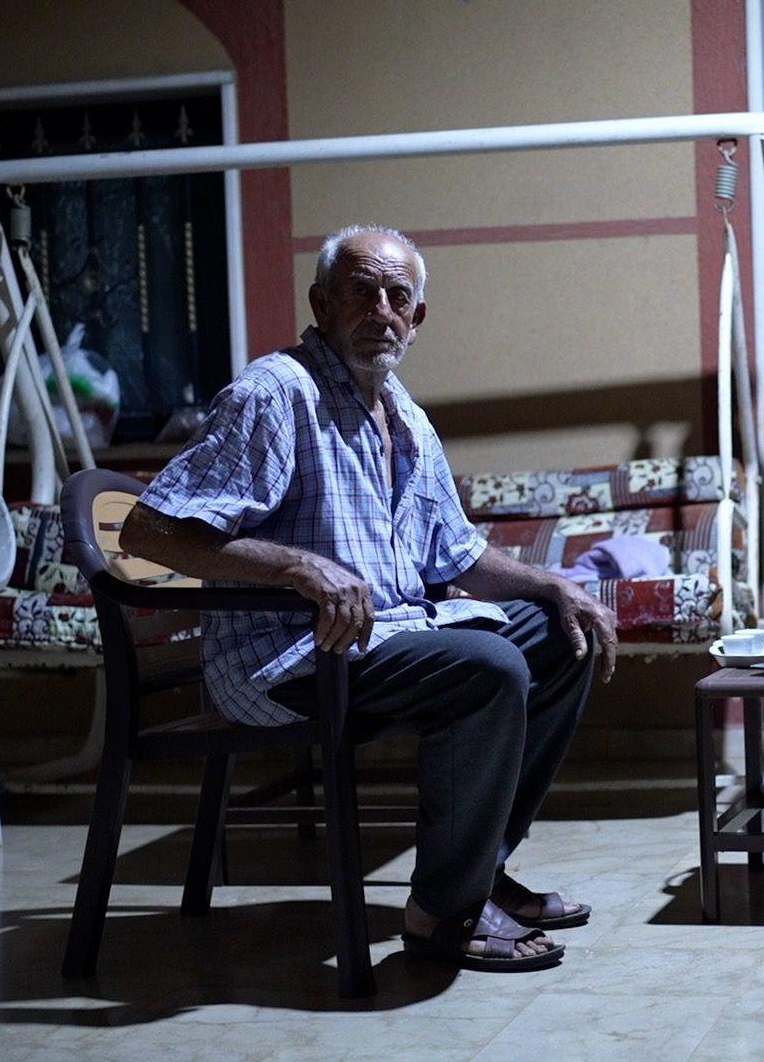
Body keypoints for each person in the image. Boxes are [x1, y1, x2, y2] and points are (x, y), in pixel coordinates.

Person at [119, 224, 617, 969]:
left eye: (398, 297)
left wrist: (553, 584)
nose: (380, 310)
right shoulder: (273, 394)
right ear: (322, 303)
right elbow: (148, 531)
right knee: (487, 666)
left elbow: (458, 554)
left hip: (383, 640)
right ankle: (444, 914)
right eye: (361, 291)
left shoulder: (405, 415)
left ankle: (473, 872)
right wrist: (296, 568)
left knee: (560, 634)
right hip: (286, 659)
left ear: (416, 320)